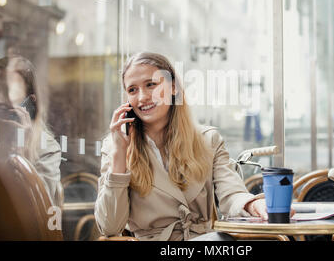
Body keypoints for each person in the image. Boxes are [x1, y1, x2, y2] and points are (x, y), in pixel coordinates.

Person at [95, 52, 289, 241]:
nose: (142, 97)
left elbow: (232, 195)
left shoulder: (208, 140)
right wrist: (119, 156)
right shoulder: (116, 146)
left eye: (151, 85)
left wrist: (254, 205)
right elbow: (110, 226)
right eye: (132, 90)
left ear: (173, 88)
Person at [0, 55, 62, 204]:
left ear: (30, 106)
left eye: (7, 106)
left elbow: (39, 208)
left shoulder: (46, 148)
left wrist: (21, 155)